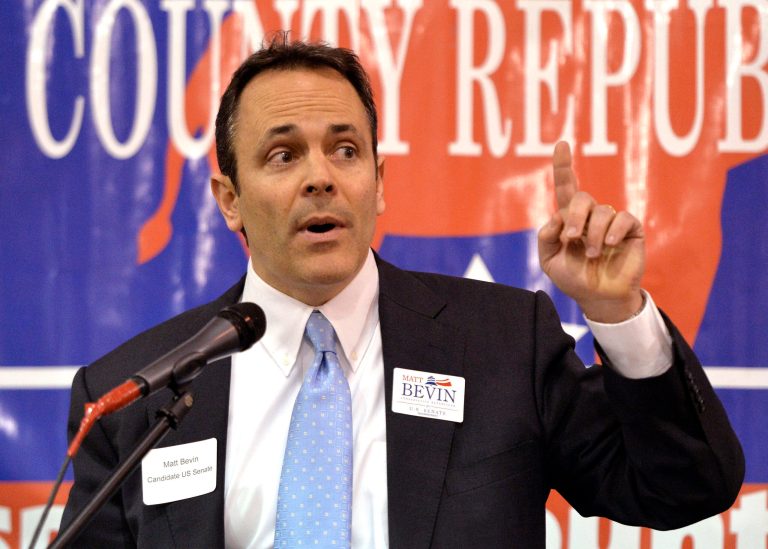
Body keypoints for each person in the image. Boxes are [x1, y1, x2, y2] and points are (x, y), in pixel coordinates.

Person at [60, 35, 744, 548]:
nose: (322, 176)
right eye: (284, 154)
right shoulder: (130, 395)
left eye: (346, 149)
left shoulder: (504, 343)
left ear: (380, 184)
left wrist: (617, 312)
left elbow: (685, 486)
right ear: (229, 199)